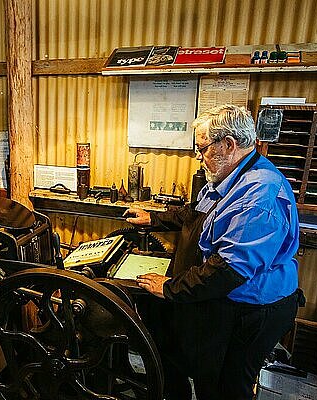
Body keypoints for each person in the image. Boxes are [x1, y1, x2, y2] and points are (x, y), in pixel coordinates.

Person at [124, 104, 302, 400]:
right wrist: (154, 219)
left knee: (226, 386)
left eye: (203, 148)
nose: (199, 156)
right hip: (230, 298)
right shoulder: (229, 177)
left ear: (229, 145)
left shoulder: (258, 196)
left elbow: (227, 271)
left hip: (253, 310)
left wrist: (169, 287)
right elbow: (196, 213)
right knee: (206, 373)